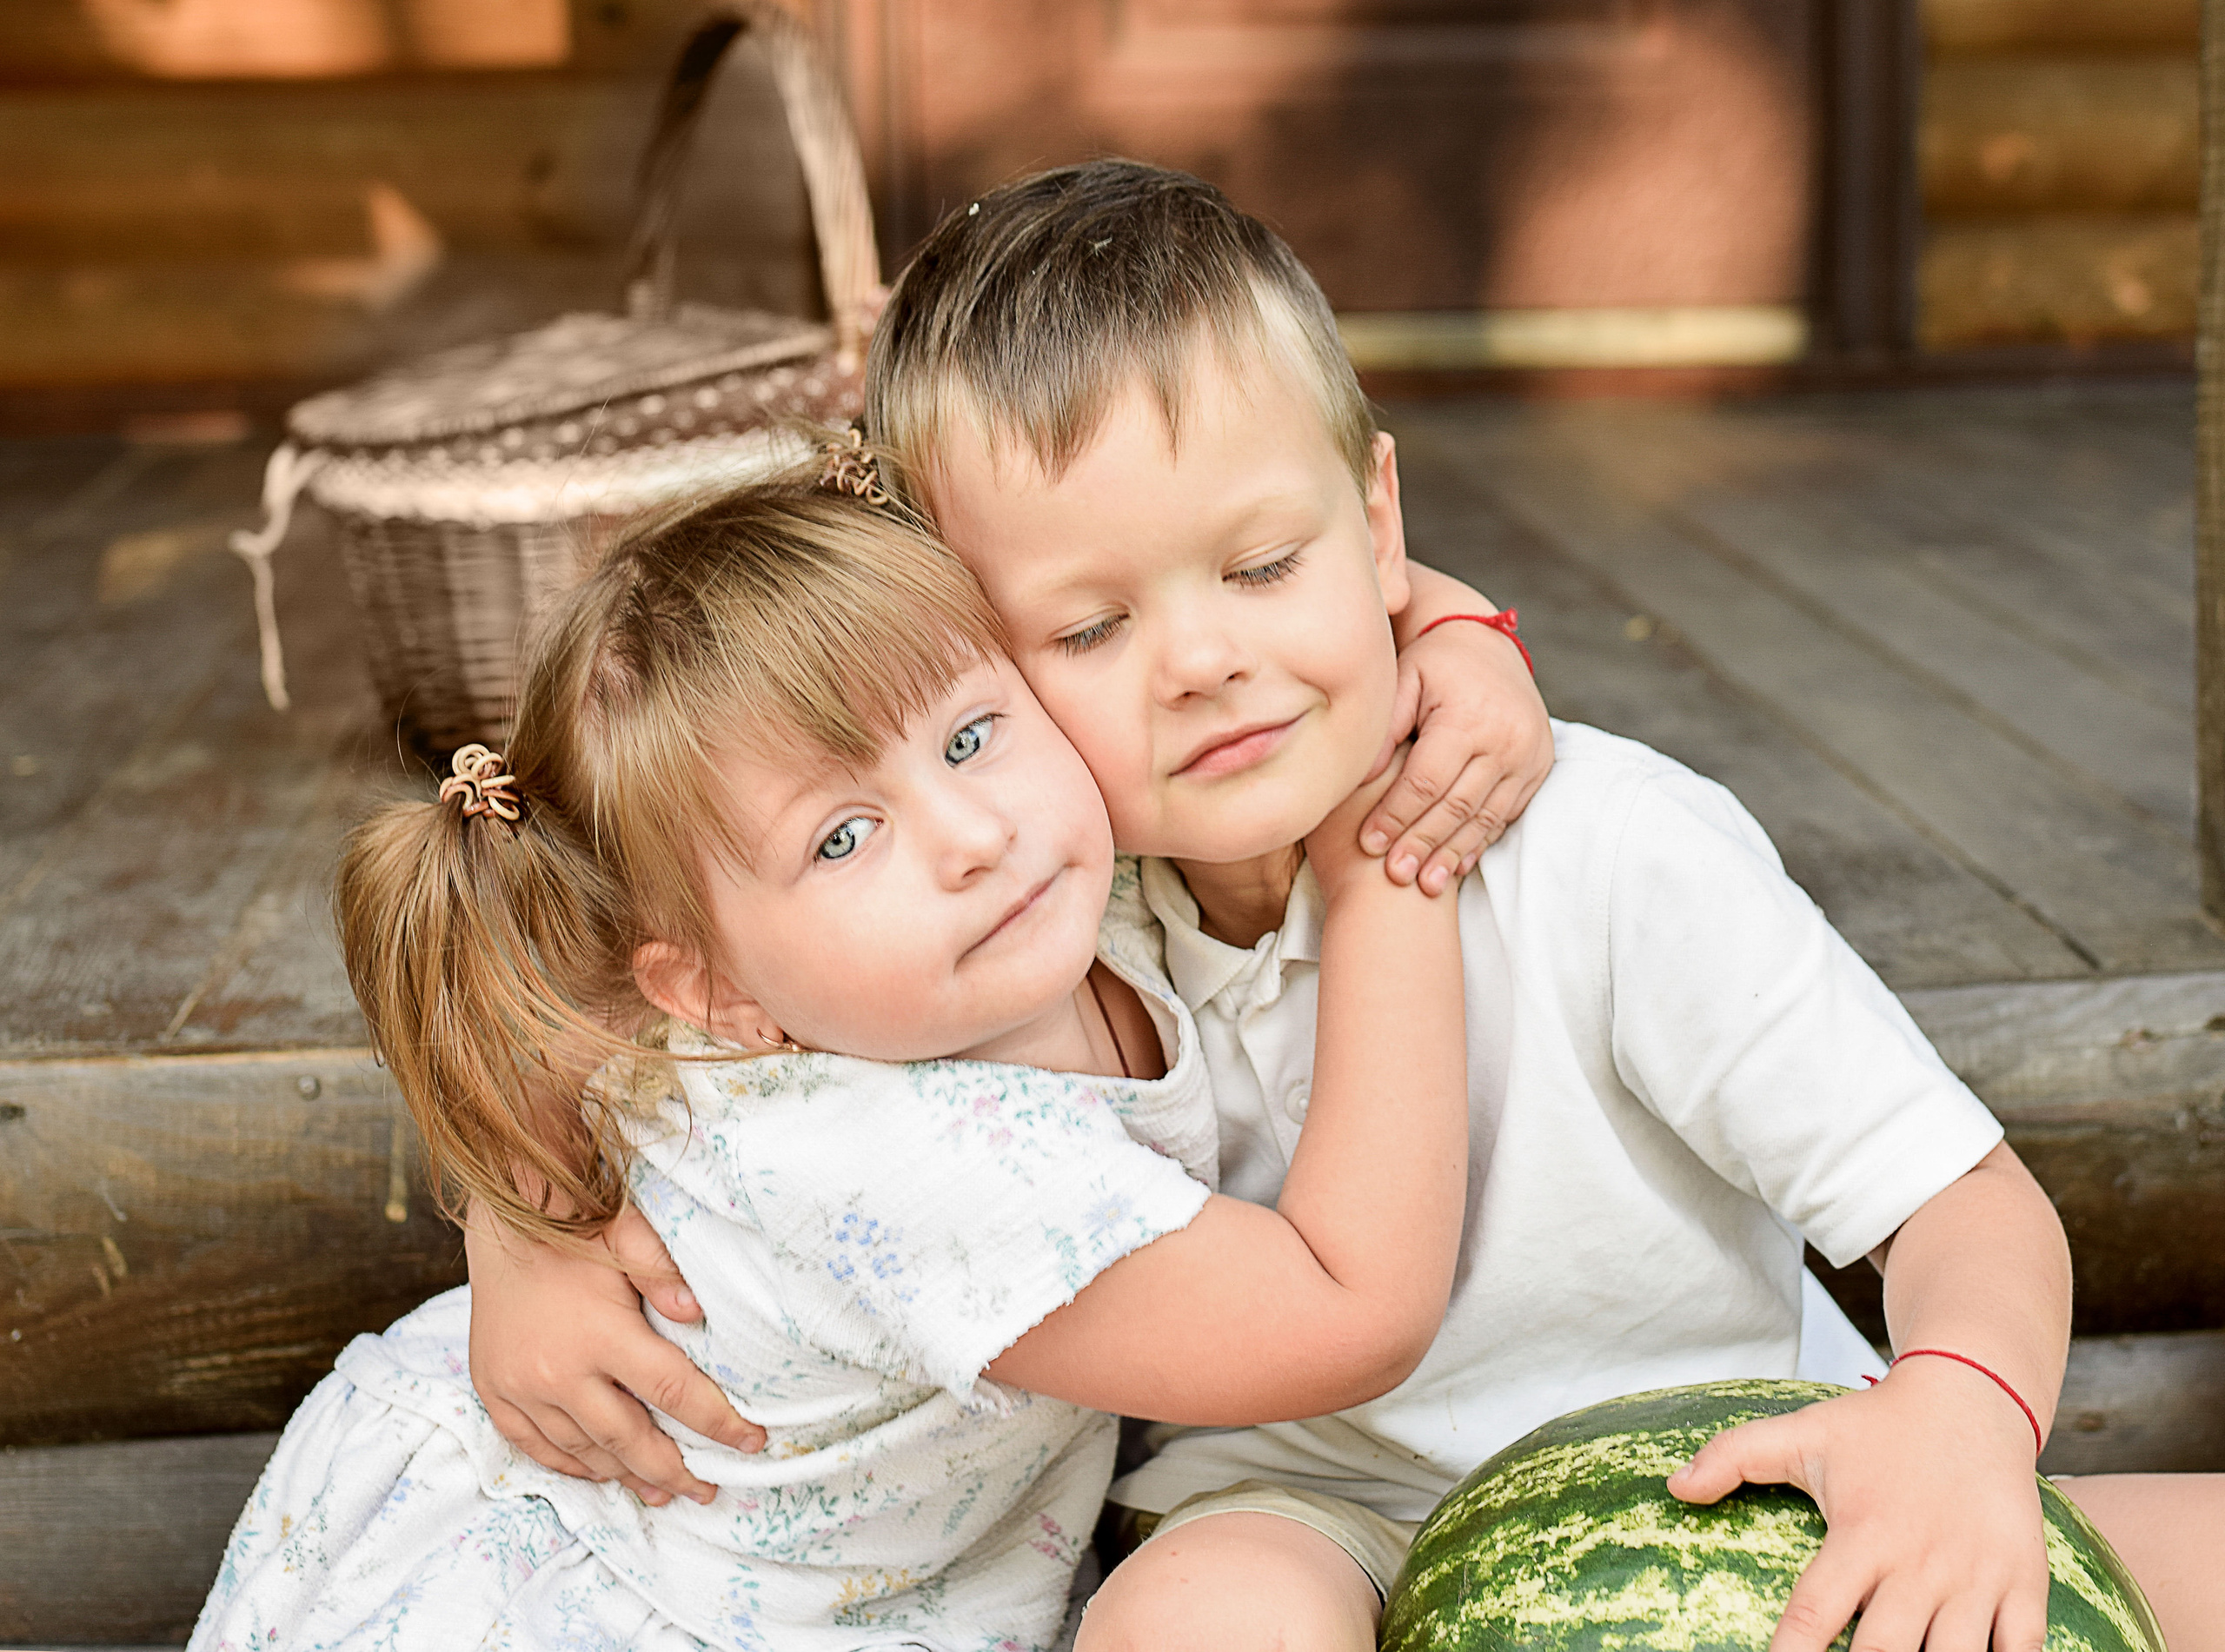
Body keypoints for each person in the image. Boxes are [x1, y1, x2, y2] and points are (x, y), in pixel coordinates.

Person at [475, 161, 2225, 1652]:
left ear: (1374, 518)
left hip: (1725, 1459)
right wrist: (531, 1234)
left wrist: (1959, 1413)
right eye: (1087, 632)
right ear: (963, 661)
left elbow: (1962, 1207)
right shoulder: (1032, 908)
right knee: (1187, 1623)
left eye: (1259, 566)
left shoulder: (1612, 852)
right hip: (1300, 1508)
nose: (1206, 660)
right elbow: (626, 975)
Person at [188, 474, 1480, 1651]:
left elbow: (1333, 604)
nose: (971, 834)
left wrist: (1464, 649)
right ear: (715, 990)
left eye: (971, 735)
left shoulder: (1030, 890)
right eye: (845, 836)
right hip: (596, 1592)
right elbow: (1346, 1311)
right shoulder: (909, 1159)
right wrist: (1385, 869)